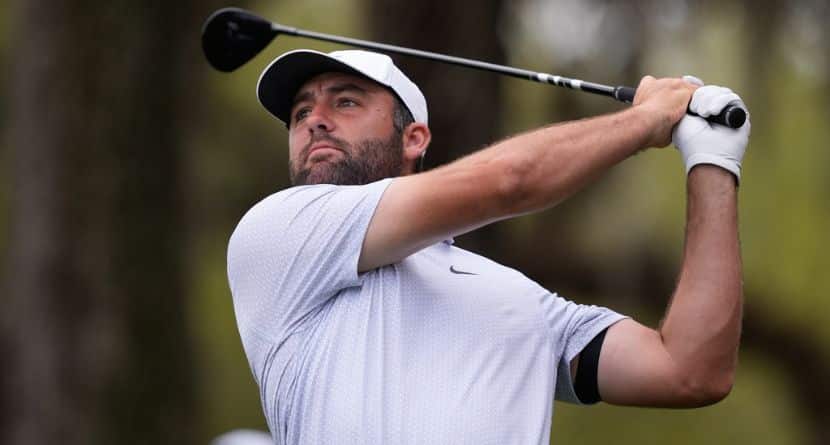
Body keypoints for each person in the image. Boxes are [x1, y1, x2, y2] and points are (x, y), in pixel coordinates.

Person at [226, 49, 750, 444]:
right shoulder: (277, 233)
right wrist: (648, 118)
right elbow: (509, 182)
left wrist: (713, 161)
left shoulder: (523, 302)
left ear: (414, 139)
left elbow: (689, 370)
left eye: (345, 101)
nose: (314, 119)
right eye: (299, 114)